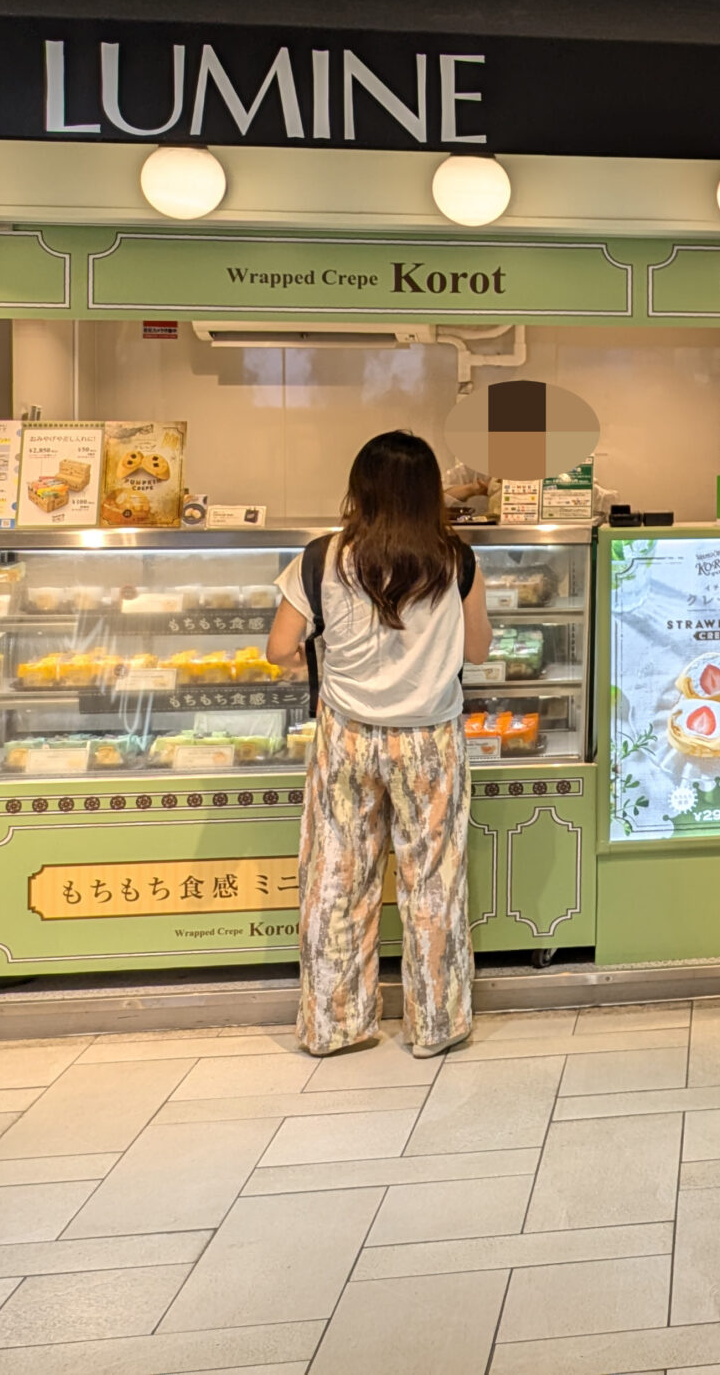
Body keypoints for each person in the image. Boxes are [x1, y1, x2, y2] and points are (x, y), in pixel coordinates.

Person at [268, 431, 492, 1058]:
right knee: (434, 883)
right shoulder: (458, 560)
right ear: (429, 493)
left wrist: (332, 664)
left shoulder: (321, 559)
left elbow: (280, 650)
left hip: (347, 736)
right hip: (431, 740)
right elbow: (477, 651)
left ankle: (336, 1025)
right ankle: (437, 1025)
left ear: (358, 488)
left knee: (337, 879)